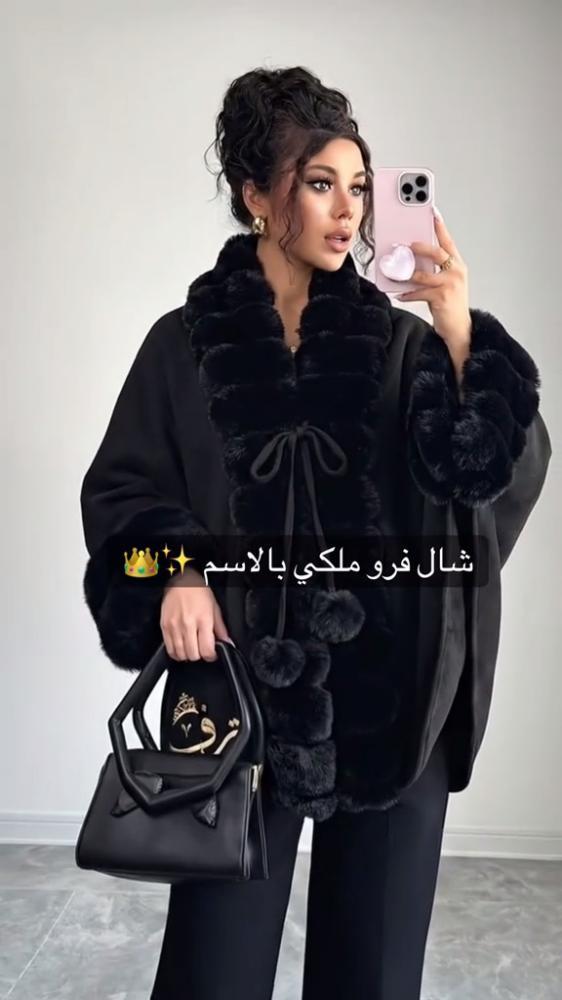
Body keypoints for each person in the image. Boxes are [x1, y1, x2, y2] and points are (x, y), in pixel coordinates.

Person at [79, 66, 552, 999]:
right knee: (214, 974)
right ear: (258, 196)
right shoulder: (185, 346)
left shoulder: (407, 348)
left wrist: (460, 331)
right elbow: (122, 494)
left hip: (392, 704)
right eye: (321, 184)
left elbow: (500, 477)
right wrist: (177, 569)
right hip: (238, 698)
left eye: (360, 187)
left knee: (372, 975)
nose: (349, 212)